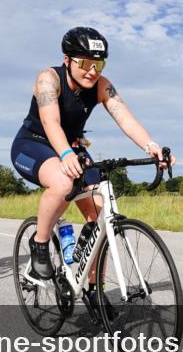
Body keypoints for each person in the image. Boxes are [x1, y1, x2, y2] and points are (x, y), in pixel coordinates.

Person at [10, 26, 174, 296]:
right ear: (67, 60)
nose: (92, 70)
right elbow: (51, 122)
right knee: (63, 184)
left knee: (101, 218)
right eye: (85, 62)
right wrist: (65, 155)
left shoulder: (101, 85)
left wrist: (151, 146)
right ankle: (40, 245)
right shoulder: (48, 79)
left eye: (98, 63)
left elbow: (125, 117)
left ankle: (93, 290)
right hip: (34, 144)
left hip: (72, 147)